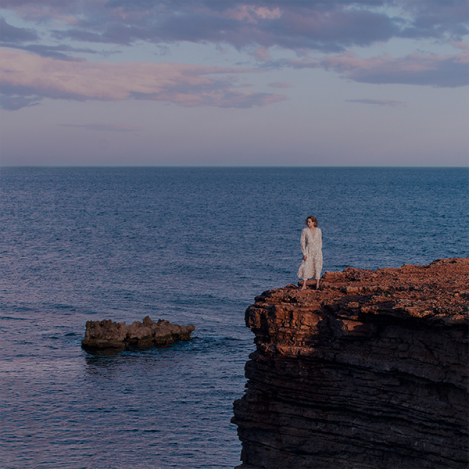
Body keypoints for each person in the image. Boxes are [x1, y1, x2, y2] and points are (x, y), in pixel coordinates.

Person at [297, 216, 323, 290]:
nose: (308, 223)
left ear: (313, 222)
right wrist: (304, 253)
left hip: (317, 251)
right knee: (306, 267)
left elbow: (320, 241)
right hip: (309, 251)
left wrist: (319, 250)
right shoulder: (305, 231)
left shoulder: (318, 230)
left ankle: (317, 285)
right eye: (307, 222)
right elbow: (302, 242)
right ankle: (304, 285)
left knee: (317, 267)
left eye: (309, 222)